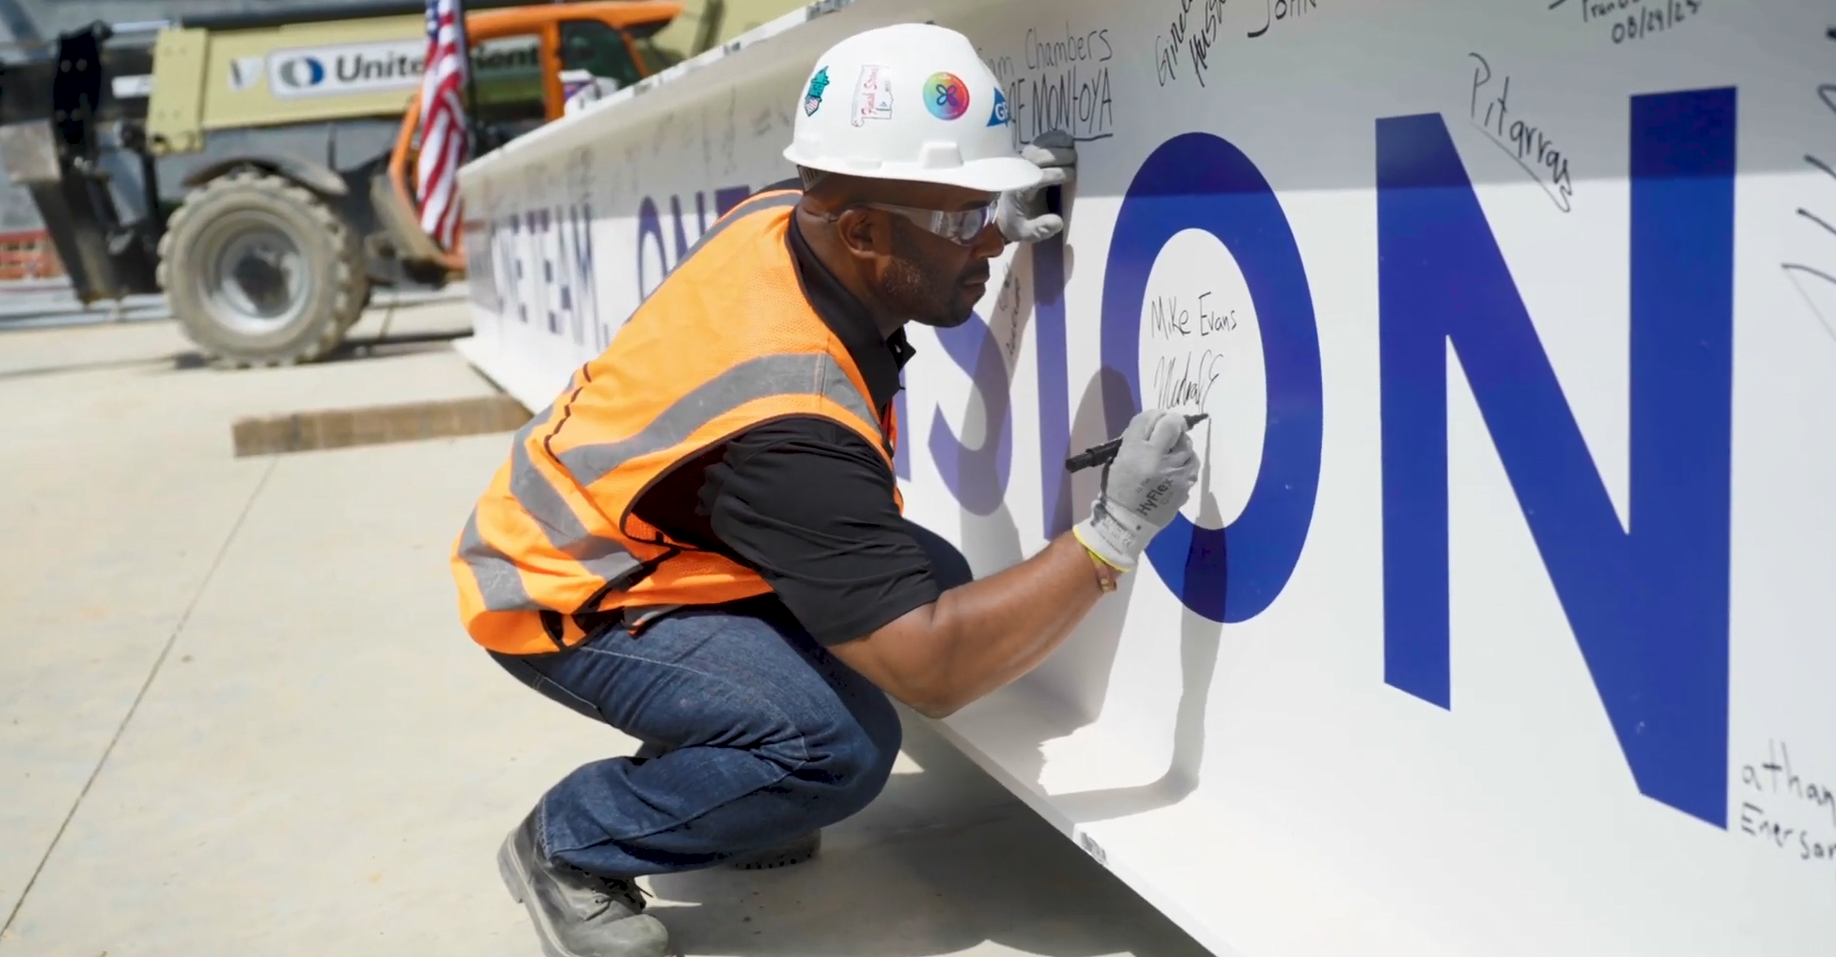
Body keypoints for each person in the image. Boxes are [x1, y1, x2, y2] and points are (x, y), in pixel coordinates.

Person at [450, 21, 1203, 957]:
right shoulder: (788, 422)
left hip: (652, 540)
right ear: (859, 230)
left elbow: (896, 230)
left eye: (984, 213)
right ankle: (572, 841)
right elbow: (938, 674)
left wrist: (973, 224)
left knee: (928, 569)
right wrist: (1112, 533)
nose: (986, 246)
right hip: (562, 590)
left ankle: (724, 786)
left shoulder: (793, 214)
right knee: (839, 748)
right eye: (963, 221)